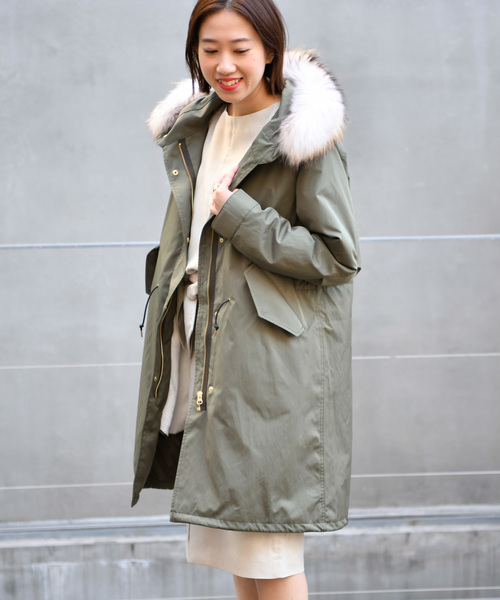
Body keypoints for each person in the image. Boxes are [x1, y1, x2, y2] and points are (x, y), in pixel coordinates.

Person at [133, 0, 360, 598]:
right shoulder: (200, 127)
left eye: (240, 49)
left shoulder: (300, 137)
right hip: (207, 354)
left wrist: (242, 216)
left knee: (270, 550)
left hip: (270, 369)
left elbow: (336, 256)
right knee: (237, 540)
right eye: (210, 50)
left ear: (270, 51)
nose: (225, 65)